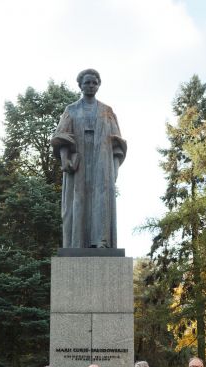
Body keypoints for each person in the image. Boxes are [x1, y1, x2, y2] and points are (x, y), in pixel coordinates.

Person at [51, 68, 127, 249]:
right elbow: (60, 138)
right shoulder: (71, 110)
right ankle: (77, 243)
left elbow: (117, 143)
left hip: (102, 161)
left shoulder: (107, 111)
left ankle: (101, 241)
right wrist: (65, 160)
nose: (91, 86)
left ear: (99, 85)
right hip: (79, 164)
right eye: (87, 82)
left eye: (94, 82)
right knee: (78, 200)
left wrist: (114, 168)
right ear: (80, 85)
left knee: (101, 199)